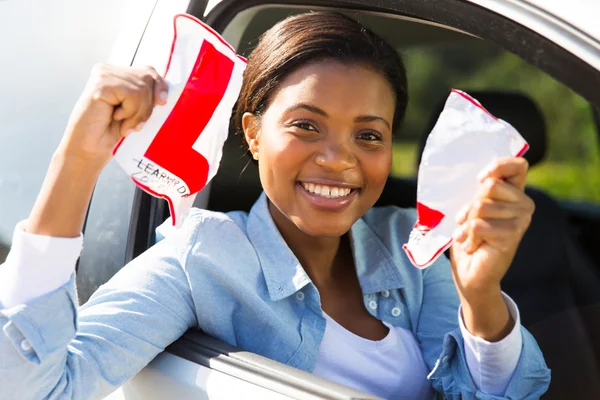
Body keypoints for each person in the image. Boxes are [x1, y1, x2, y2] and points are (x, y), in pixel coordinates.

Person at [0, 12, 550, 400]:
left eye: (369, 135)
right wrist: (77, 159)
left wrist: (480, 298)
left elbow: (488, 396)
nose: (338, 160)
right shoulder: (204, 258)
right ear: (254, 134)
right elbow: (41, 389)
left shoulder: (412, 247)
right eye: (306, 126)